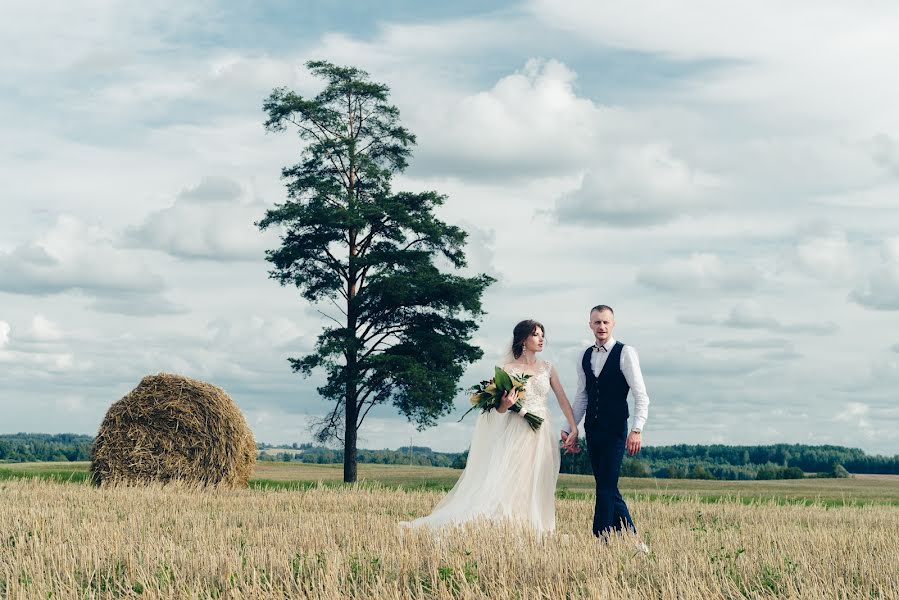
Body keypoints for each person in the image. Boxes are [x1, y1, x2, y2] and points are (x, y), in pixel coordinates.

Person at [401, 319, 579, 535]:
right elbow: (499, 410)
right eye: (535, 335)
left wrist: (573, 427)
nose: (541, 339)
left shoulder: (548, 368)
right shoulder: (507, 369)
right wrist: (506, 404)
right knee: (516, 477)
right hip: (516, 429)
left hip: (542, 429)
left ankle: (534, 525)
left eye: (542, 334)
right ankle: (513, 523)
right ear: (523, 339)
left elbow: (562, 398)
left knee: (538, 478)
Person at [562, 305, 650, 543]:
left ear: (613, 324)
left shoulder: (625, 352)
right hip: (593, 429)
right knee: (607, 485)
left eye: (605, 322)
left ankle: (600, 539)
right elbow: (582, 395)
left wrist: (637, 429)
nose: (601, 327)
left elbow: (641, 395)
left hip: (615, 430)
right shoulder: (584, 355)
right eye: (597, 322)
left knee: (605, 487)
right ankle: (633, 540)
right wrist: (571, 428)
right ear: (590, 324)